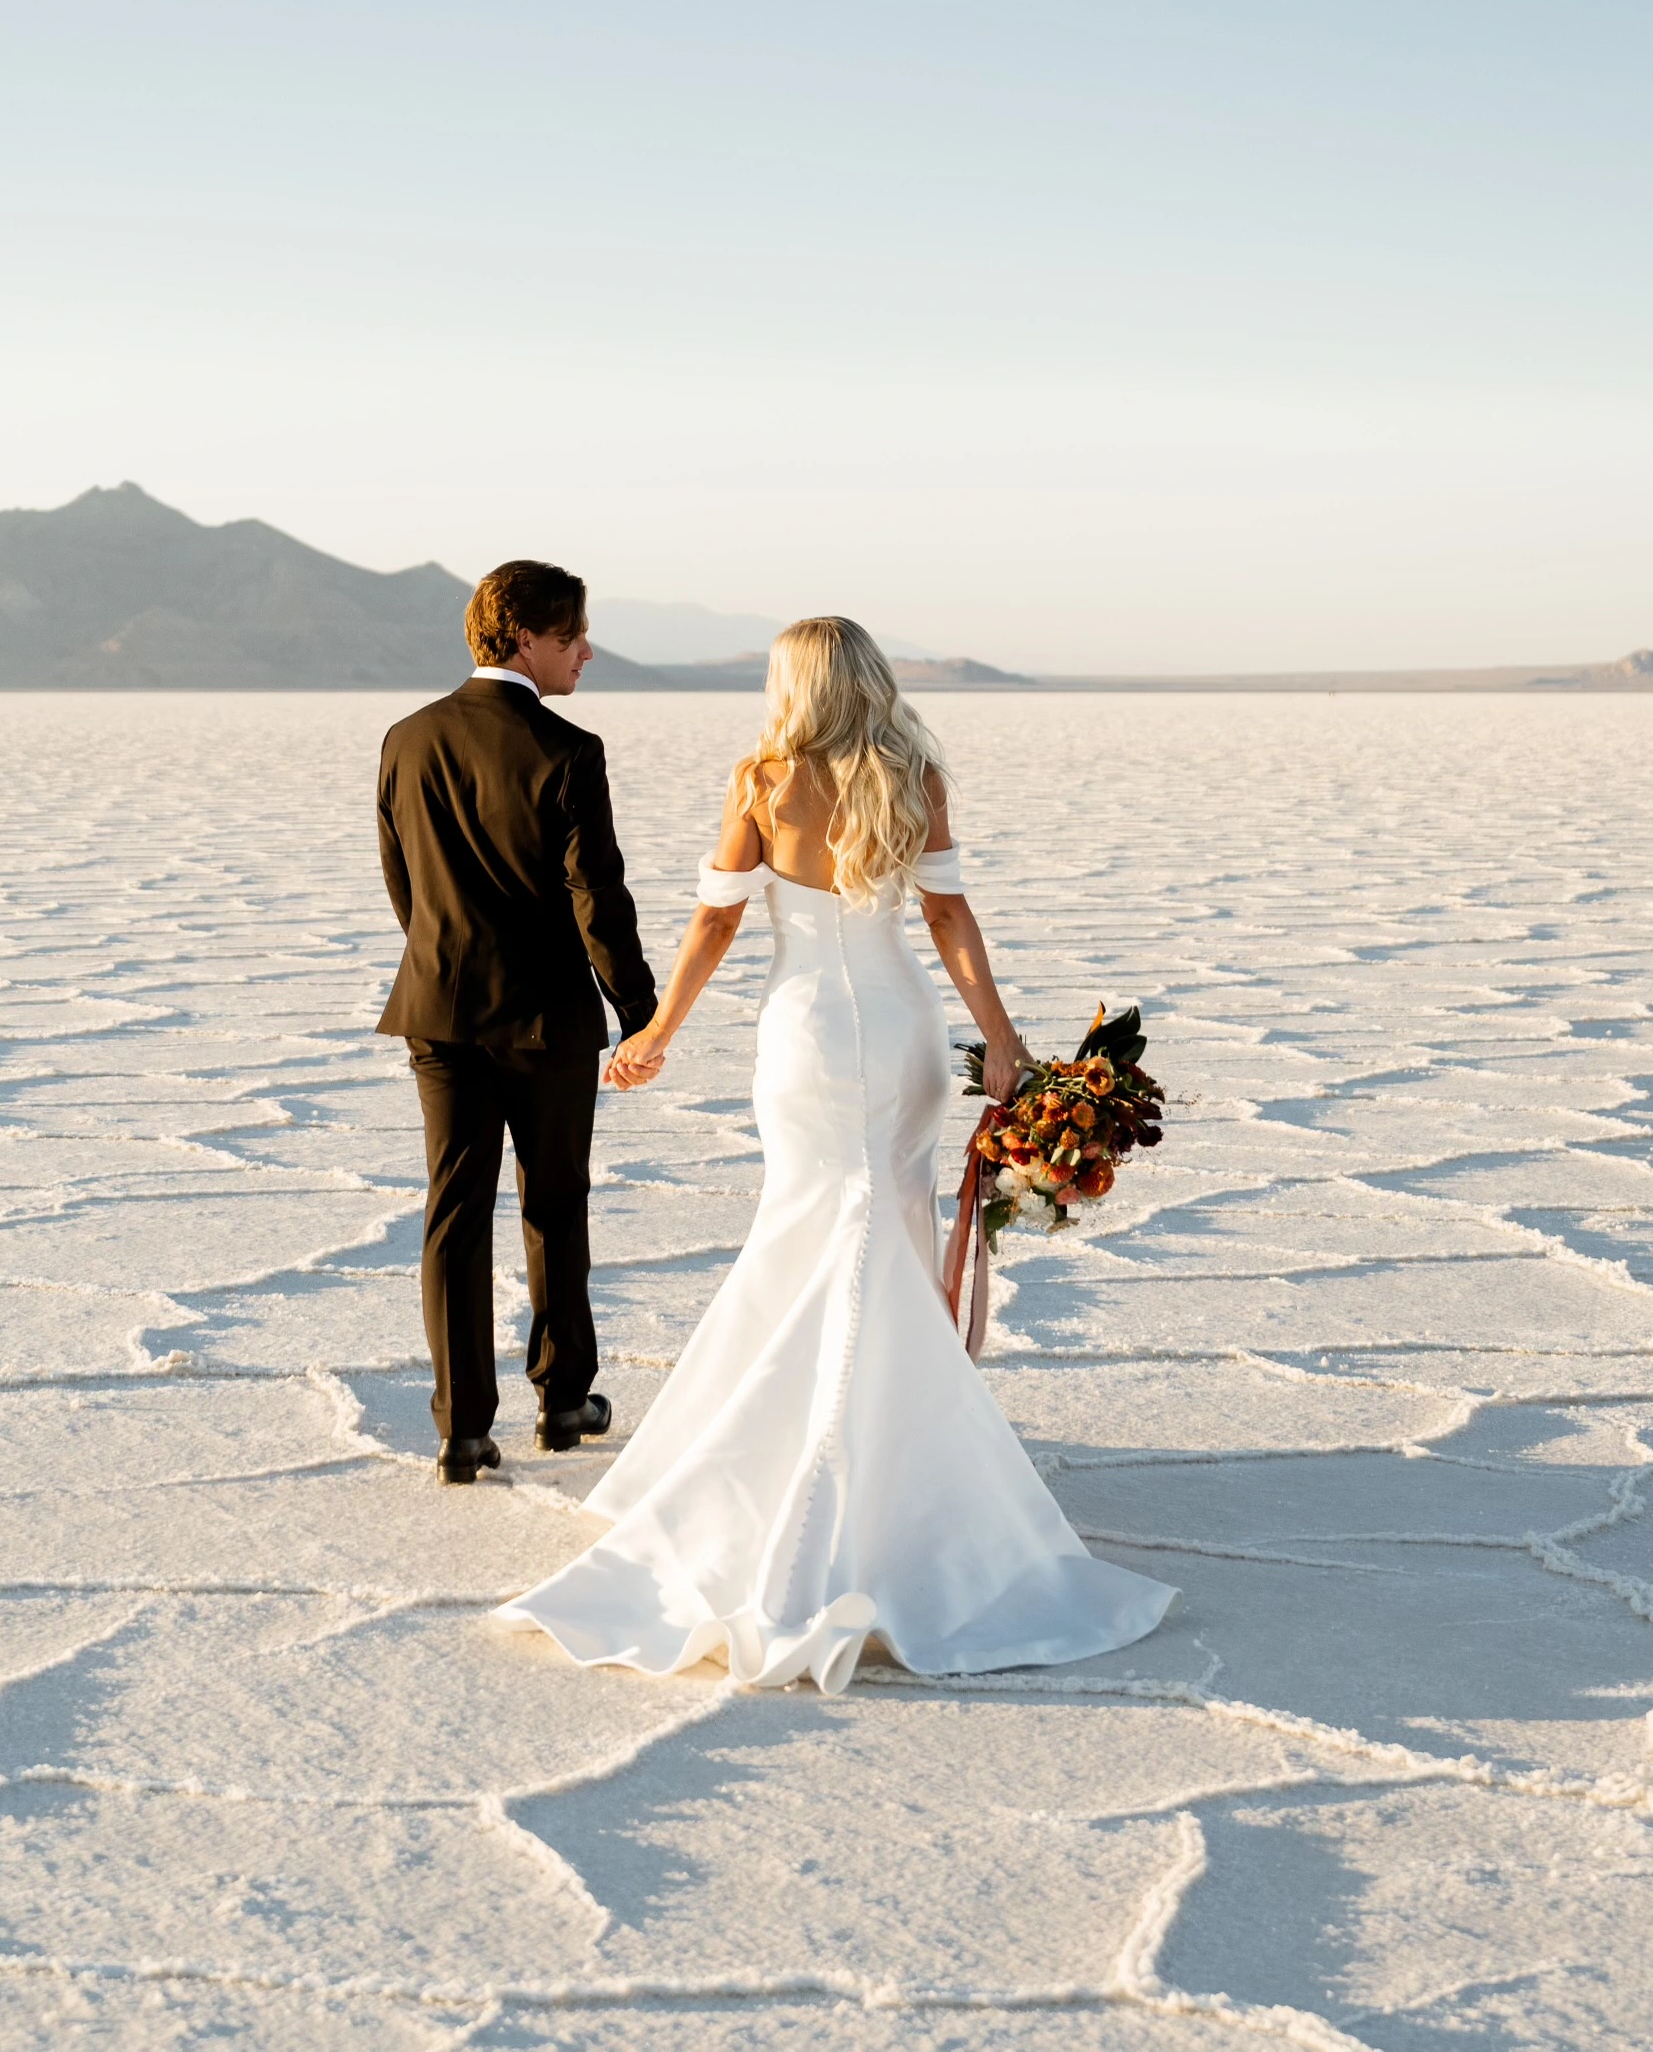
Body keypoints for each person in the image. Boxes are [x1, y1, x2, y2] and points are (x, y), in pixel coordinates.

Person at [495, 616, 1172, 1690]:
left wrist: (658, 1030)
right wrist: (998, 1033)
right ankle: (906, 1478)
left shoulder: (763, 780)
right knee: (882, 1224)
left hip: (805, 1027)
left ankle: (783, 1462)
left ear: (794, 685)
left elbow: (716, 923)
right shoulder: (913, 773)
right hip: (898, 1025)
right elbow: (946, 913)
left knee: (810, 1222)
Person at [376, 561, 658, 1485]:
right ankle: (563, 1398)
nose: (587, 651)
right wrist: (639, 1009)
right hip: (546, 1017)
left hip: (439, 1008)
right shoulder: (567, 750)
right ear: (526, 639)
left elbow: (403, 883)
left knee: (453, 1215)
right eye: (575, 634)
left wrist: (444, 959)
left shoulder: (406, 739)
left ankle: (461, 1429)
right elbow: (597, 897)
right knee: (554, 1203)